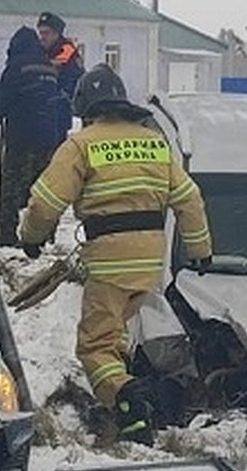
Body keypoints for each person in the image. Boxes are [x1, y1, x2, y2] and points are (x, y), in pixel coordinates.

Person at [18, 64, 212, 444]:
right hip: (149, 261)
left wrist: (31, 236)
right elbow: (189, 199)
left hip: (110, 257)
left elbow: (46, 202)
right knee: (115, 336)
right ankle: (125, 402)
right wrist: (200, 249)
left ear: (85, 108)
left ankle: (130, 406)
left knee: (94, 345)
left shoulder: (82, 144)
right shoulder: (154, 142)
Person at [0, 27, 64, 246]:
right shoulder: (48, 67)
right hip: (48, 136)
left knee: (10, 186)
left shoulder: (15, 66)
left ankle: (7, 233)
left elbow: (5, 100)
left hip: (21, 136)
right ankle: (43, 233)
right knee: (41, 188)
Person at [36, 11, 84, 137]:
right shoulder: (40, 50)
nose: (42, 37)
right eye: (40, 33)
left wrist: (60, 95)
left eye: (46, 33)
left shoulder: (66, 50)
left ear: (56, 34)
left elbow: (72, 79)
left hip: (58, 111)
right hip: (40, 112)